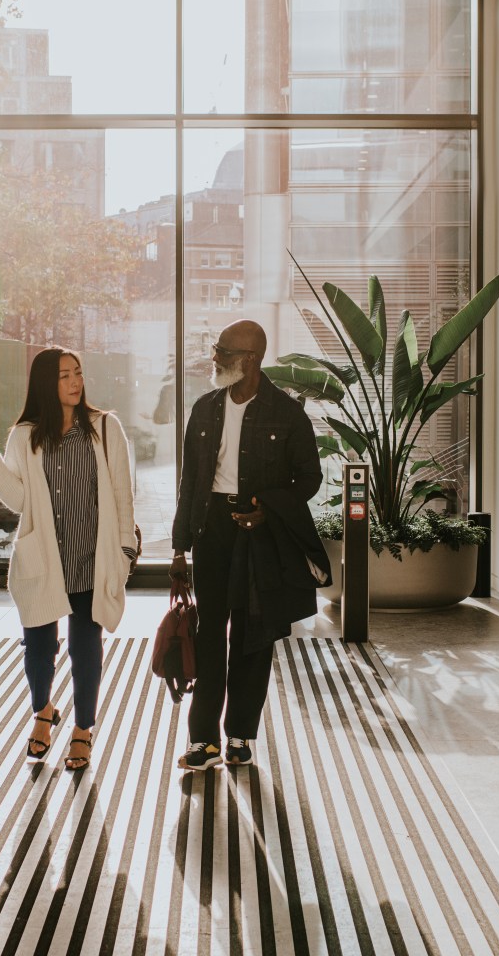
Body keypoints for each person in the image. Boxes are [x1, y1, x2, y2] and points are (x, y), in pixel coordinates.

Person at [0, 347, 139, 771]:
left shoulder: (105, 428)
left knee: (84, 644)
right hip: (43, 556)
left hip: (93, 555)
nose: (75, 382)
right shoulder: (24, 435)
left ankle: (83, 730)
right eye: (64, 376)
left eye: (78, 373)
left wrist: (125, 549)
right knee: (38, 646)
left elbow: (122, 495)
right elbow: (18, 499)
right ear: (44, 384)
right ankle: (43, 711)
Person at [170, 319, 330, 771]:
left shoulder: (287, 413)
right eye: (217, 349)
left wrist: (269, 509)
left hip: (260, 533)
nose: (215, 357)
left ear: (250, 360)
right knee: (208, 635)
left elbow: (310, 478)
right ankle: (203, 741)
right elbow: (189, 482)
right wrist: (179, 549)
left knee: (253, 636)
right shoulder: (204, 409)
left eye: (223, 351)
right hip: (211, 530)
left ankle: (240, 735)